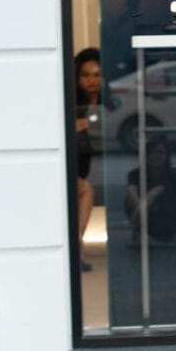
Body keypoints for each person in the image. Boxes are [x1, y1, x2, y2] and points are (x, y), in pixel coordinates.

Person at [124, 135, 176, 244]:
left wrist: (140, 209)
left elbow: (156, 192)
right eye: (151, 152)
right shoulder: (135, 173)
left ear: (167, 156)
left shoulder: (171, 175)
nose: (155, 156)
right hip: (144, 213)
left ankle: (165, 234)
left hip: (165, 214)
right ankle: (140, 229)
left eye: (160, 152)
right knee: (129, 197)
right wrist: (140, 207)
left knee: (158, 199)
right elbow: (130, 190)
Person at [75, 48, 102, 272]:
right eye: (85, 75)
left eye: (96, 75)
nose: (91, 81)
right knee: (85, 190)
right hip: (74, 172)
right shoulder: (71, 103)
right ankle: (77, 247)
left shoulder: (110, 101)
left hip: (101, 167)